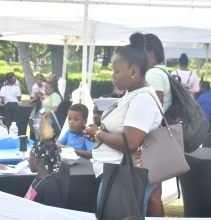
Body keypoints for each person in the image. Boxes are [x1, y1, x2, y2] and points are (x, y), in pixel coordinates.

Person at [83, 32, 163, 216]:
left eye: (116, 71)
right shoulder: (133, 93)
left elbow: (130, 142)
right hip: (118, 173)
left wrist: (97, 134)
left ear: (134, 71)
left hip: (123, 176)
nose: (113, 75)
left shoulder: (143, 98)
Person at [144, 33, 173, 217]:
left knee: (152, 194)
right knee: (155, 192)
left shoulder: (153, 73)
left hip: (153, 138)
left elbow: (155, 105)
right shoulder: (162, 71)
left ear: (151, 53)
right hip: (161, 136)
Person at [25, 139, 63, 208]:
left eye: (30, 157)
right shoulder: (38, 178)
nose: (28, 160)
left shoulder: (50, 186)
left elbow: (53, 213)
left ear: (36, 160)